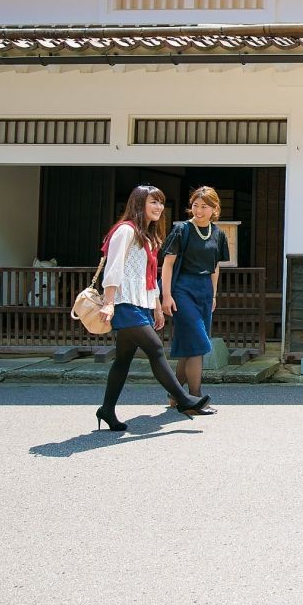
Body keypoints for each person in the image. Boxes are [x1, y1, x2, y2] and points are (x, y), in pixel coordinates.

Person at [94, 184, 212, 432]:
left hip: (141, 304)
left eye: (160, 202)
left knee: (123, 360)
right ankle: (183, 398)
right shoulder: (125, 231)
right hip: (125, 303)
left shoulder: (147, 236)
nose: (159, 207)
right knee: (156, 349)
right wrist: (108, 303)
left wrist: (156, 306)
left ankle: (106, 409)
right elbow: (113, 268)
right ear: (139, 205)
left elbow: (149, 276)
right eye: (153, 202)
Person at [161, 186, 228, 414]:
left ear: (214, 209)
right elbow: (168, 264)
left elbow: (215, 267)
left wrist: (214, 294)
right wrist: (167, 295)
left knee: (190, 346)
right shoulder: (182, 230)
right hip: (182, 290)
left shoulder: (218, 233)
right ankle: (194, 400)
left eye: (204, 206)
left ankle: (175, 394)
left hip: (205, 292)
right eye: (195, 205)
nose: (198, 210)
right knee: (198, 343)